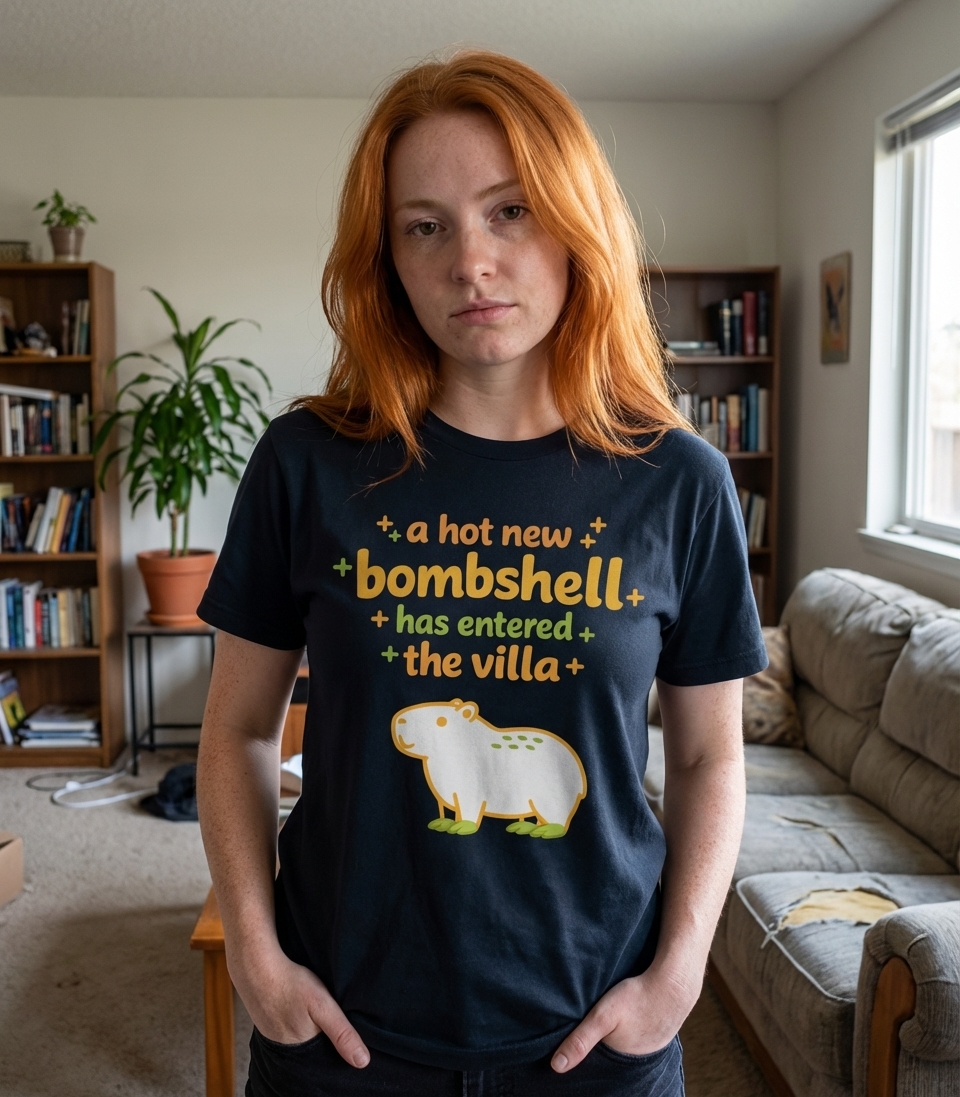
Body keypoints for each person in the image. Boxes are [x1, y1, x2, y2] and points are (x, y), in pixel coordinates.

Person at [196, 49, 766, 1097]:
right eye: (426, 226)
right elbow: (236, 730)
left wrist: (678, 974)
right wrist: (254, 954)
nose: (471, 261)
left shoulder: (679, 480)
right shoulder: (306, 464)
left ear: (576, 223)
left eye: (510, 211)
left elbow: (706, 757)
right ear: (387, 259)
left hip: (595, 1031)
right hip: (344, 1032)